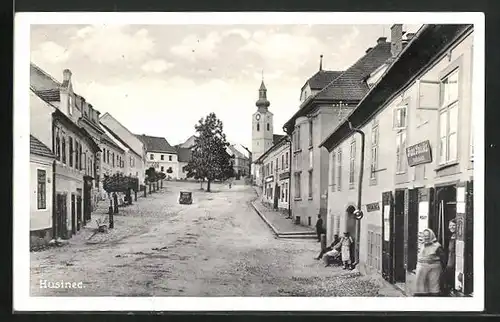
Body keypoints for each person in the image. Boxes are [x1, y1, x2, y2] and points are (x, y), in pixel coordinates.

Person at [414, 228, 446, 296]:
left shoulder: (437, 246)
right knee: (420, 287)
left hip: (434, 268)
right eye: (424, 236)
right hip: (421, 268)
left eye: (428, 235)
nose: (426, 237)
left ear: (432, 236)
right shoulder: (421, 244)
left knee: (434, 287)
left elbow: (443, 258)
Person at [443, 219, 457, 296]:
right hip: (450, 259)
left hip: (454, 261)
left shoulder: (457, 236)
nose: (451, 227)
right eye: (450, 225)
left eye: (453, 225)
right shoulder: (452, 236)